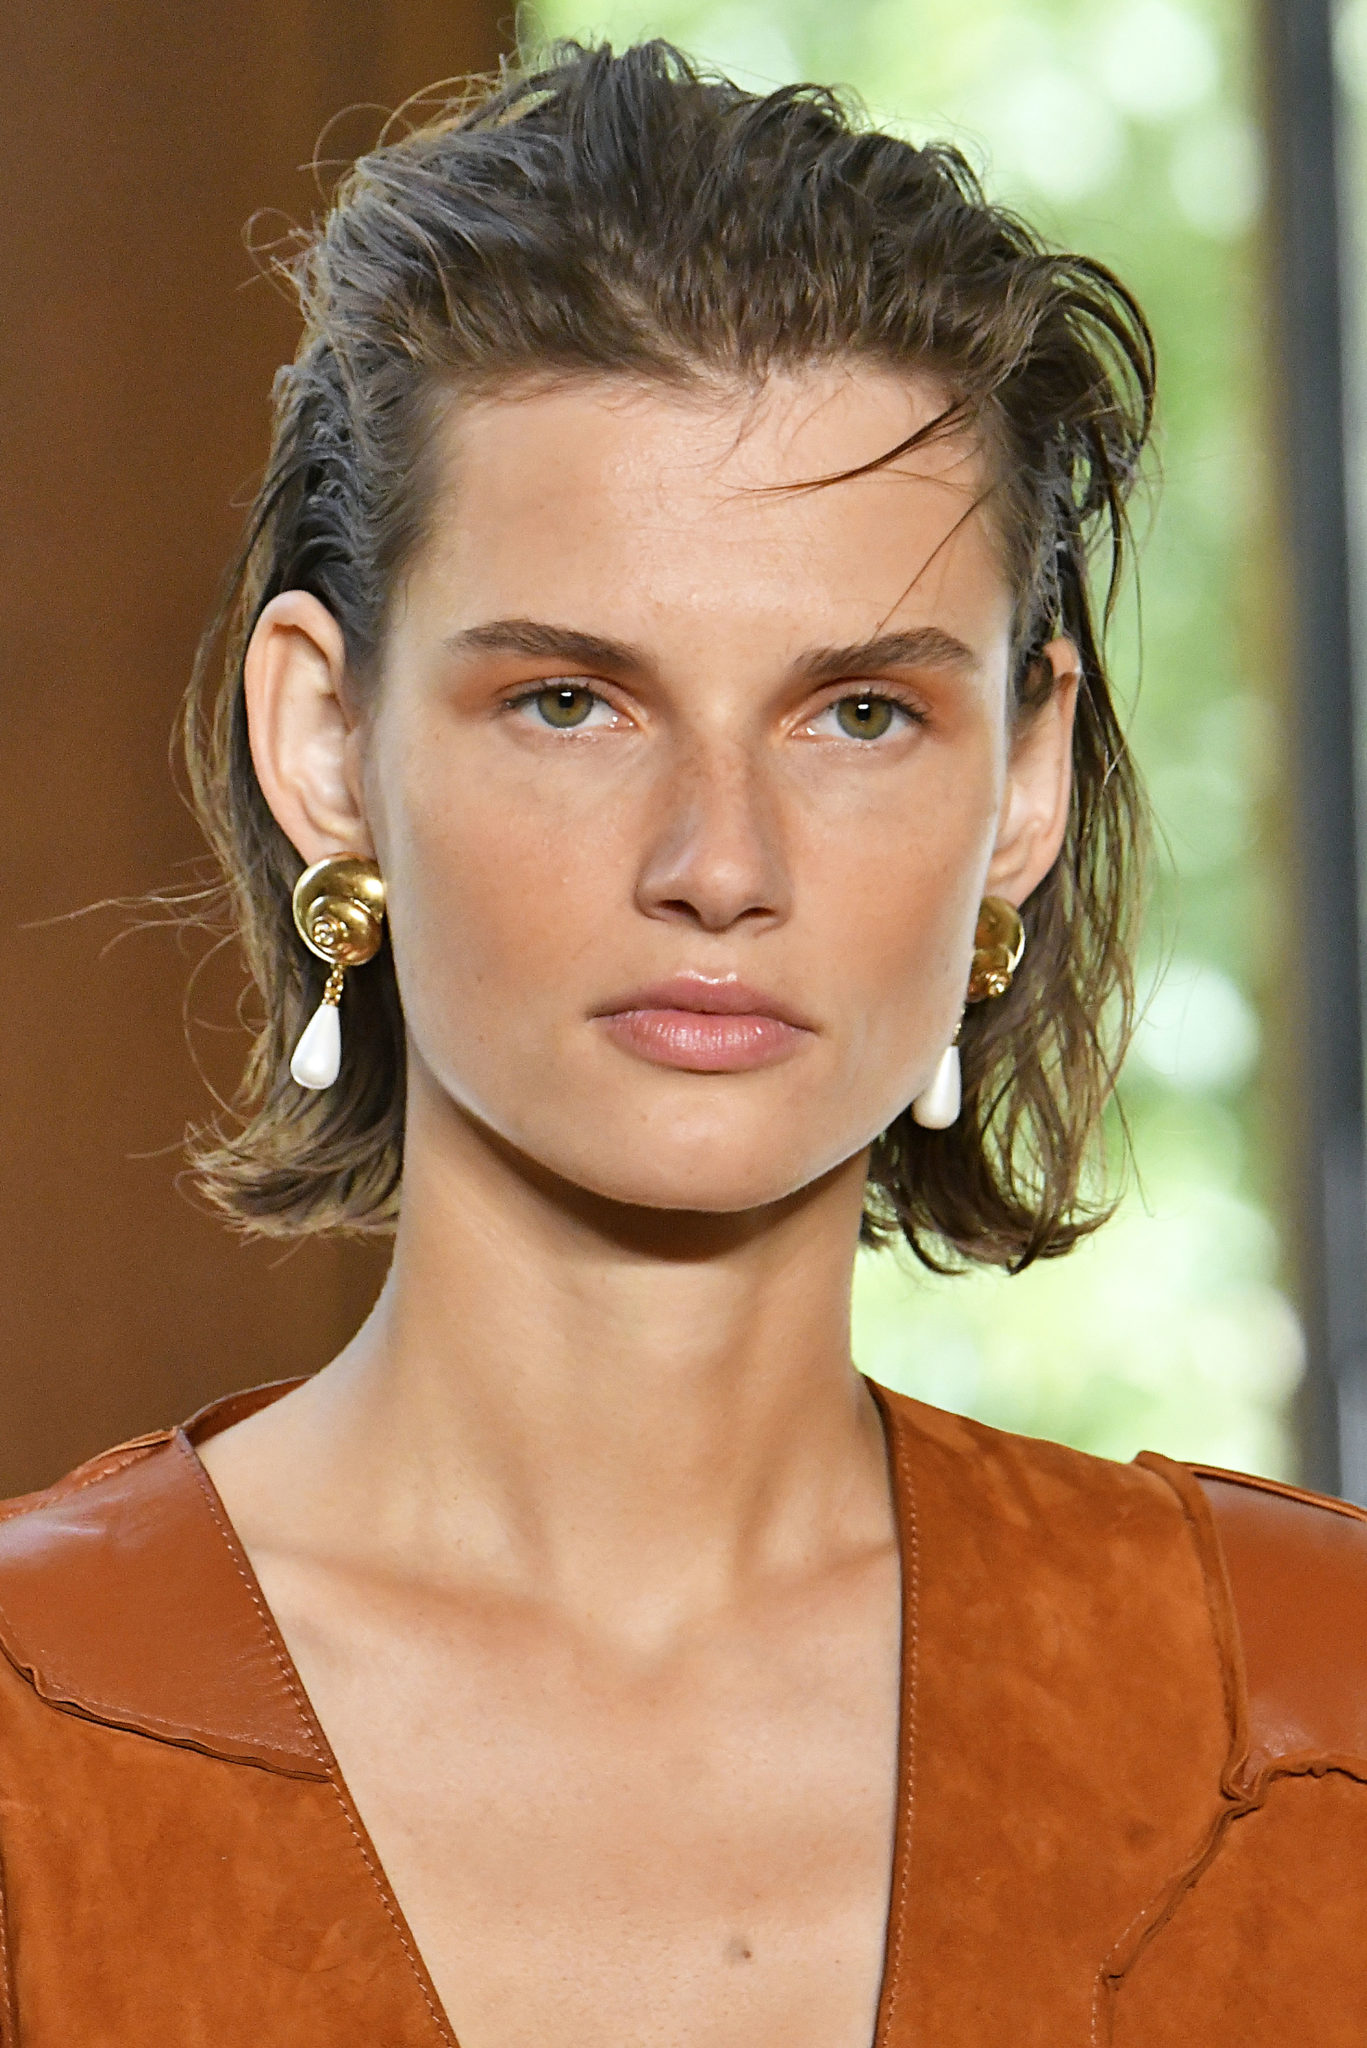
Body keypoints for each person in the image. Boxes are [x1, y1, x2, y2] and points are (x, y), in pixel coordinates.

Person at [1, 37, 1364, 2048]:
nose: (720, 864)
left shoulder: (1318, 1720)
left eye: (862, 713)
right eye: (570, 701)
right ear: (329, 745)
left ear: (1024, 780)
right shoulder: (35, 1745)